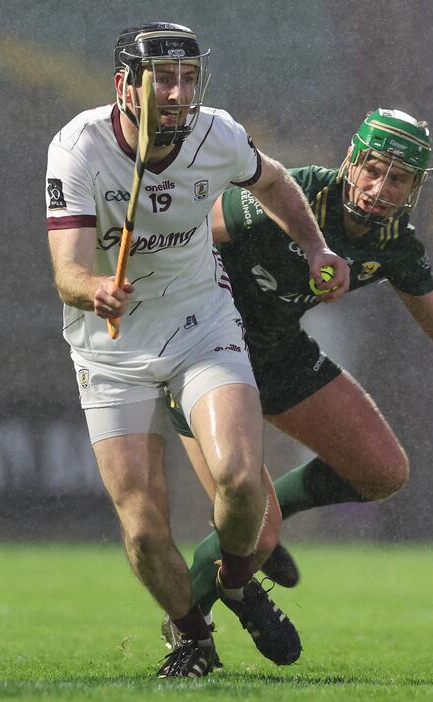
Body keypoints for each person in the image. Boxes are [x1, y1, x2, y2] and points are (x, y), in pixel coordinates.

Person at [160, 108, 433, 644]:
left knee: (383, 471)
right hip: (206, 358)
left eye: (398, 179)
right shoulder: (294, 195)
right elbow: (184, 234)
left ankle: (261, 523)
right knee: (258, 535)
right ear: (351, 161)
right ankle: (190, 629)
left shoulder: (393, 241)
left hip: (278, 353)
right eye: (374, 169)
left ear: (415, 189)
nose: (380, 189)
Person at [44, 21, 350, 678]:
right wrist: (95, 288)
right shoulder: (78, 149)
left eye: (189, 79)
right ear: (125, 86)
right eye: (164, 80)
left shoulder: (217, 135)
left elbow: (273, 182)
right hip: (110, 347)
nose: (181, 95)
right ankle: (193, 637)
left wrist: (315, 246)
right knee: (143, 530)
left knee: (239, 478)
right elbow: (66, 272)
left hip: (199, 324)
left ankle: (236, 585)